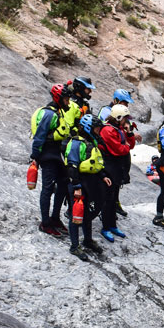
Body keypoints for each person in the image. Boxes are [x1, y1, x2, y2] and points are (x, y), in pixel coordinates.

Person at [64, 113, 112, 261]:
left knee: (88, 212)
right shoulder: (77, 143)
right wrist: (76, 185)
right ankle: (74, 246)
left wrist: (103, 175)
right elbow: (72, 166)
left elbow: (96, 163)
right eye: (96, 129)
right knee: (76, 214)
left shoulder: (91, 142)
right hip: (79, 182)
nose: (98, 132)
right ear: (88, 128)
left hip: (91, 181)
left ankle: (88, 240)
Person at [30, 83, 73, 236]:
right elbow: (39, 136)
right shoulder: (50, 114)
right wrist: (35, 157)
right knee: (47, 189)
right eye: (67, 99)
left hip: (56, 154)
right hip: (48, 155)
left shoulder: (57, 111)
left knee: (64, 182)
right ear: (59, 99)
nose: (68, 102)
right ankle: (45, 222)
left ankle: (55, 217)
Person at [98, 104, 137, 242]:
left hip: (116, 168)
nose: (127, 121)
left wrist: (130, 133)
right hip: (108, 167)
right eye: (125, 118)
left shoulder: (119, 129)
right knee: (107, 199)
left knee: (113, 198)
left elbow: (130, 146)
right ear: (119, 117)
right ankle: (105, 227)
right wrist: (125, 145)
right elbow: (120, 149)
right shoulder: (108, 130)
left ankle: (112, 225)